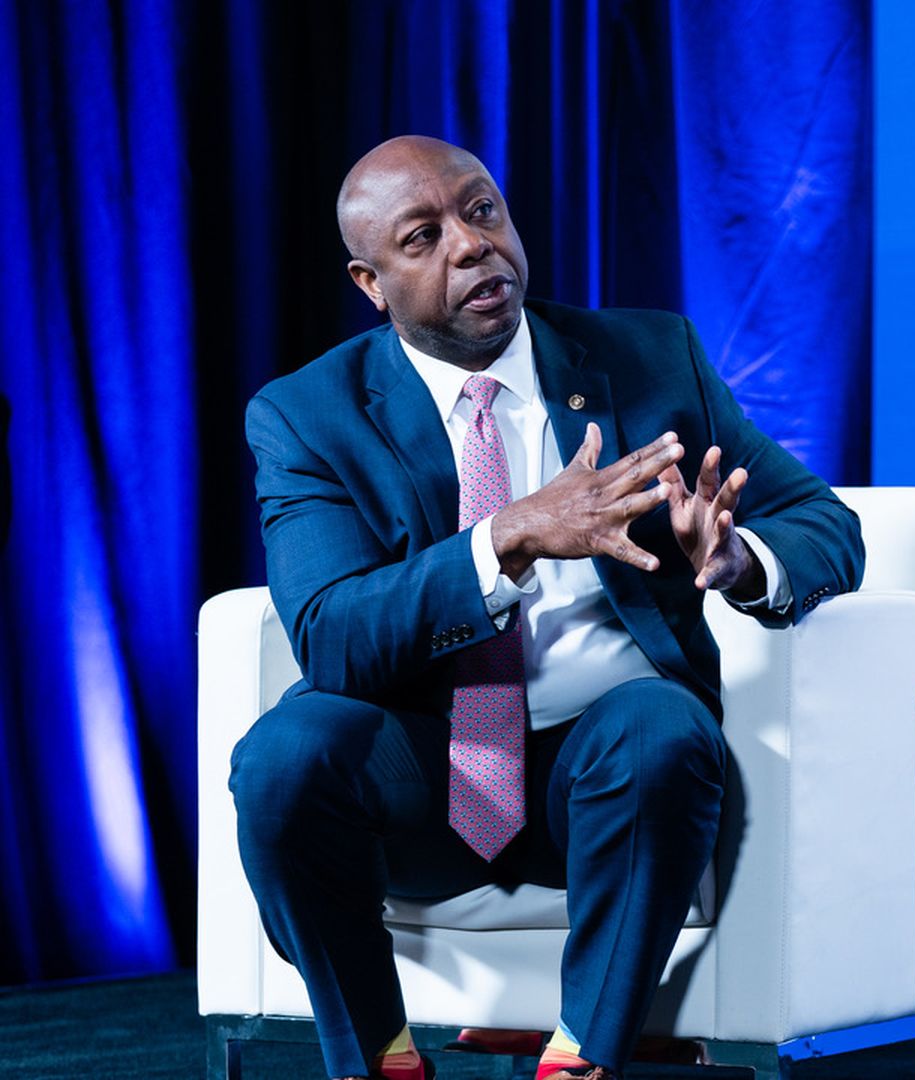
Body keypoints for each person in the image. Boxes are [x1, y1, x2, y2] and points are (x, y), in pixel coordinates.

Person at [232, 135, 864, 1080]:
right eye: (423, 236)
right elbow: (332, 634)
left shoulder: (651, 359)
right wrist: (509, 539)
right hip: (427, 779)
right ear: (371, 282)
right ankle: (380, 1058)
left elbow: (824, 524)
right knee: (286, 756)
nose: (471, 245)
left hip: (605, 777)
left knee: (660, 725)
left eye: (481, 210)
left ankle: (582, 1060)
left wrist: (739, 559)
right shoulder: (307, 414)